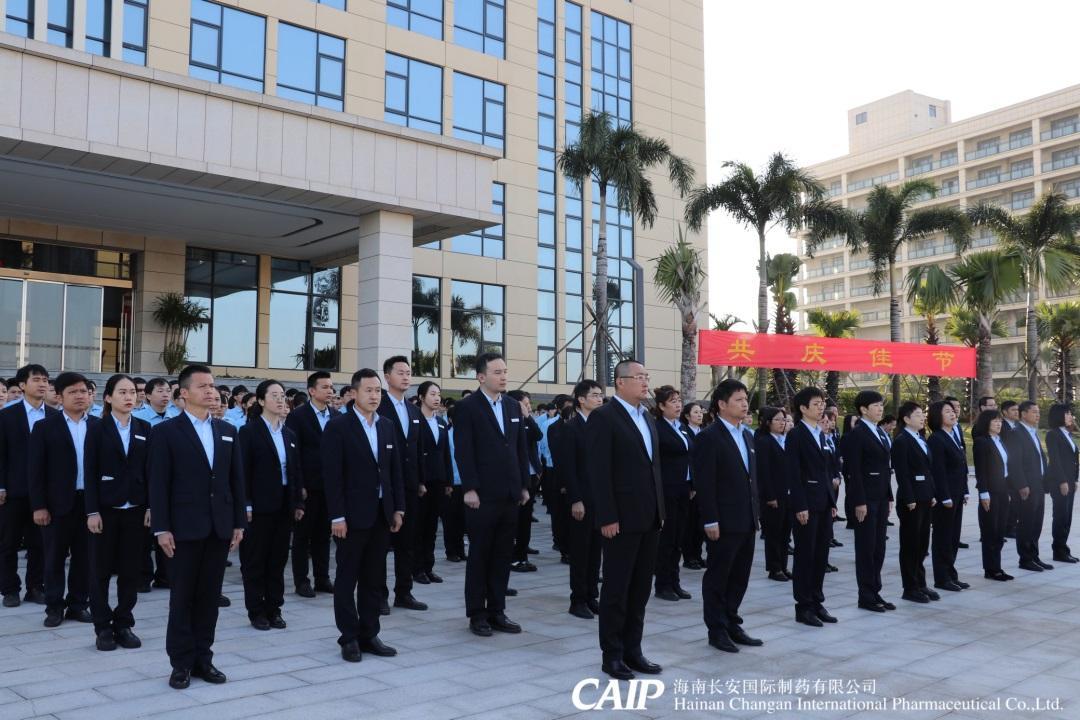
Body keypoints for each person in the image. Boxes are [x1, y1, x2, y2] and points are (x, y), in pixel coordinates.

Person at [149, 364, 246, 689]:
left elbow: (236, 480)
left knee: (208, 598)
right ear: (184, 393)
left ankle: (204, 658)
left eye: (212, 386)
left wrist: (238, 522)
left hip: (219, 527)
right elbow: (158, 484)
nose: (210, 391)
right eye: (203, 386)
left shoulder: (227, 431)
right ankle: (181, 663)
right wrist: (161, 528)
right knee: (182, 598)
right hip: (183, 529)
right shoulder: (165, 432)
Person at [587, 359, 664, 680]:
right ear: (620, 382)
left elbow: (652, 467)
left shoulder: (647, 416)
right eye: (639, 377)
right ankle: (613, 654)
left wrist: (660, 511)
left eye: (647, 376)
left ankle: (634, 649)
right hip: (620, 518)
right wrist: (607, 516)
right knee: (617, 590)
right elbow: (598, 471)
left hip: (649, 517)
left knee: (641, 588)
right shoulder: (604, 417)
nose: (645, 382)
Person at [321, 368, 405, 662]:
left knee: (374, 577)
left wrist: (398, 508)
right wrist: (337, 516)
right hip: (351, 517)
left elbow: (394, 470)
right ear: (353, 393)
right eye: (368, 390)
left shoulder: (386, 426)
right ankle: (349, 637)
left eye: (378, 391)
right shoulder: (338, 427)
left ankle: (370, 633)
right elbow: (332, 476)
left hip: (381, 514)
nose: (374, 396)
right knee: (347, 578)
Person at [452, 352, 530, 637]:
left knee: (502, 555)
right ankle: (477, 613)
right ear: (481, 376)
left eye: (505, 371)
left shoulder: (511, 406)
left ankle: (497, 610)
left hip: (510, 493)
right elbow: (463, 450)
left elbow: (520, 448)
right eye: (497, 372)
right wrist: (470, 488)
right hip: (481, 495)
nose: (503, 376)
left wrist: (523, 485)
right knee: (480, 555)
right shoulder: (467, 407)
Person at [693, 379, 762, 653]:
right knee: (718, 576)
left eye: (746, 399)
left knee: (740, 575)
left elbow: (751, 478)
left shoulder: (747, 435)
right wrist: (710, 519)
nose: (745, 404)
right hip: (723, 521)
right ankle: (717, 629)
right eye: (738, 400)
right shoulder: (709, 437)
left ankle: (732, 621)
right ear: (722, 404)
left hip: (747, 518)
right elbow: (704, 483)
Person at [84, 374, 151, 651]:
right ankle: (102, 626)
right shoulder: (96, 428)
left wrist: (150, 506)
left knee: (130, 570)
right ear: (108, 397)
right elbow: (89, 472)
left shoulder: (145, 427)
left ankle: (124, 623)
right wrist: (91, 511)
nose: (129, 397)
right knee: (99, 570)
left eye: (132, 392)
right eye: (122, 392)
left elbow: (151, 471)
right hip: (105, 509)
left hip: (136, 509)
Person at [28, 371, 98, 627]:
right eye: (73, 392)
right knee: (54, 557)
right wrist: (39, 506)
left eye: (83, 391)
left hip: (90, 503)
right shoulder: (45, 427)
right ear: (59, 397)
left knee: (85, 557)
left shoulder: (99, 425)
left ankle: (78, 604)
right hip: (57, 504)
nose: (80, 396)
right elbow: (35, 471)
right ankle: (54, 607)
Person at [238, 380, 304, 631]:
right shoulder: (249, 432)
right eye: (274, 395)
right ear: (261, 400)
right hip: (258, 507)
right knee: (255, 560)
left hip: (284, 505)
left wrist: (298, 502)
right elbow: (242, 472)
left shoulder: (289, 434)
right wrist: (246, 504)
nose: (280, 399)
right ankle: (256, 610)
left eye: (282, 395)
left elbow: (295, 471)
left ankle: (274, 608)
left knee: (277, 561)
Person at [0, 364, 56, 608]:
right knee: (8, 543)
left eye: (45, 380)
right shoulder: (6, 416)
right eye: (36, 379)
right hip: (14, 491)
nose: (42, 384)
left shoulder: (54, 416)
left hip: (44, 493)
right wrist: (1, 486)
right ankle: (9, 589)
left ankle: (35, 587)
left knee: (40, 543)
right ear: (22, 385)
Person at [377, 356, 427, 613]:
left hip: (409, 486)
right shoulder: (378, 406)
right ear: (387, 377)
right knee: (380, 544)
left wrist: (420, 481)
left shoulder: (414, 410)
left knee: (407, 543)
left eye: (408, 372)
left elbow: (417, 449)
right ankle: (378, 595)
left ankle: (404, 592)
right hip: (384, 486)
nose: (406, 377)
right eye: (400, 372)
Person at [785, 387, 837, 627]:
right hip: (806, 504)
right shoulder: (796, 435)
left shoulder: (821, 434)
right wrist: (800, 505)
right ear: (803, 408)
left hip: (824, 503)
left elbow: (825, 471)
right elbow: (793, 473)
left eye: (822, 403)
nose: (821, 407)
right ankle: (803, 606)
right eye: (816, 403)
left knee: (820, 554)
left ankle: (817, 601)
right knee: (805, 555)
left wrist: (832, 502)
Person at [840, 391, 895, 612]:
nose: (880, 409)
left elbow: (885, 468)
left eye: (881, 405)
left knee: (879, 547)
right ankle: (866, 595)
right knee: (866, 547)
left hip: (880, 497)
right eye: (876, 405)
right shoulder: (858, 434)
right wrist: (859, 501)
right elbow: (853, 471)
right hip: (866, 499)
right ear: (863, 409)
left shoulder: (880, 432)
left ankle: (875, 591)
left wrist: (889, 496)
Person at [555, 379, 604, 619]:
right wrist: (575, 499)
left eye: (600, 395)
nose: (599, 399)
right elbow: (568, 467)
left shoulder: (602, 426)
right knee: (581, 551)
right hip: (581, 500)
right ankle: (578, 600)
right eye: (594, 395)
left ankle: (592, 596)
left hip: (600, 499)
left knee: (596, 551)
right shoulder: (571, 428)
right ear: (581, 400)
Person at [286, 371, 335, 598]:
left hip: (330, 487)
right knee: (302, 537)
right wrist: (300, 485)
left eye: (331, 387)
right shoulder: (298, 416)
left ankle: (322, 578)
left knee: (324, 536)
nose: (330, 391)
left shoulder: (336, 416)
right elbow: (293, 454)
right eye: (325, 387)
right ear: (312, 391)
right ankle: (301, 581)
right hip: (308, 487)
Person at [891, 402, 939, 604]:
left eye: (922, 414)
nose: (922, 418)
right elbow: (902, 473)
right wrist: (909, 497)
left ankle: (920, 583)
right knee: (910, 544)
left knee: (922, 543)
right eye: (918, 414)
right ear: (906, 419)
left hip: (925, 496)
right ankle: (910, 587)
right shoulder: (902, 441)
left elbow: (927, 470)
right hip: (911, 500)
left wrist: (932, 493)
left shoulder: (920, 438)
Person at [652, 385, 693, 602]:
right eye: (673, 401)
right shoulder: (657, 428)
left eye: (679, 401)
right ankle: (663, 584)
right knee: (667, 538)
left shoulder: (682, 427)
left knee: (679, 537)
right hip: (667, 489)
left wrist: (692, 484)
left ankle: (674, 581)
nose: (678, 405)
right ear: (661, 406)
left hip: (684, 489)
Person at [927, 400, 968, 592]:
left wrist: (965, 490)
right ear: (937, 416)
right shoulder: (936, 439)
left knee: (953, 536)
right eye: (947, 411)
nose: (953, 414)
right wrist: (944, 496)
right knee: (943, 537)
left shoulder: (953, 435)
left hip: (957, 493)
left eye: (953, 411)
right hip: (946, 497)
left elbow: (962, 467)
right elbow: (938, 471)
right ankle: (942, 578)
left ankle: (951, 574)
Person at [1009, 400, 1052, 572]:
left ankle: (1034, 556)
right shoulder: (1016, 433)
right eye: (1034, 412)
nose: (1038, 414)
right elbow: (1015, 462)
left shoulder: (1033, 432)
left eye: (1038, 412)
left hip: (1038, 484)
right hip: (1026, 486)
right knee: (1026, 523)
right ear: (1023, 414)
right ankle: (1025, 559)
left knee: (1036, 523)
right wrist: (1021, 484)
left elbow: (1039, 458)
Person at [414, 381, 450, 584]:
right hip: (422, 481)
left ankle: (429, 567)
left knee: (432, 527)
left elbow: (446, 453)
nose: (437, 398)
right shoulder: (414, 420)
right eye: (432, 394)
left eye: (438, 394)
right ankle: (417, 568)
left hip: (439, 480)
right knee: (419, 527)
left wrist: (448, 481)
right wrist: (419, 480)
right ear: (421, 397)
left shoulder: (441, 422)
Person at [972, 409, 1013, 581]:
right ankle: (990, 569)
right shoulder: (982, 442)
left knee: (1000, 531)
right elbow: (980, 470)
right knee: (990, 531)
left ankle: (997, 567)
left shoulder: (1000, 440)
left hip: (1003, 490)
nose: (998, 423)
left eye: (1000, 421)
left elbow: (1005, 468)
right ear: (986, 423)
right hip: (990, 492)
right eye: (995, 421)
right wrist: (983, 493)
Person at [508, 389, 544, 574]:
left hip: (530, 475)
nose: (528, 407)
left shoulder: (527, 421)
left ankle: (522, 554)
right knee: (515, 519)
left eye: (529, 404)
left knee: (526, 518)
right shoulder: (509, 422)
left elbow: (538, 435)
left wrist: (528, 417)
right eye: (525, 404)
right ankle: (513, 557)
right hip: (515, 476)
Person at [756, 407, 791, 582]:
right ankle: (774, 568)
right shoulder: (764, 441)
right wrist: (770, 496)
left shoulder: (785, 440)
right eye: (777, 420)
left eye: (783, 420)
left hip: (788, 494)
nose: (782, 423)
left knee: (785, 533)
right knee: (774, 533)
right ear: (768, 422)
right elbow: (764, 472)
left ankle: (783, 565)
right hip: (773, 496)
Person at [1045, 403, 1078, 564]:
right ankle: (1058, 550)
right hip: (1060, 482)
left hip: (1070, 481)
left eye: (1070, 413)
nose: (1071, 416)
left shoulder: (1067, 434)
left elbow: (1074, 460)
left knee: (1067, 517)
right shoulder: (1053, 435)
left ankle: (1064, 548)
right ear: (1059, 416)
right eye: (1067, 414)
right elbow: (1055, 460)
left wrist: (1075, 479)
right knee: (1060, 516)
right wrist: (1062, 481)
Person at [442, 405, 467, 563]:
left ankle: (460, 550)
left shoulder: (467, 434)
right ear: (451, 419)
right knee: (450, 519)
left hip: (465, 482)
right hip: (451, 483)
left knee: (462, 519)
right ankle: (451, 551)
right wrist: (447, 482)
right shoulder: (446, 434)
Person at [1000, 400, 1021, 538]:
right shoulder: (1002, 427)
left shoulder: (1017, 426)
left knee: (1017, 499)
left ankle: (1013, 525)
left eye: (1017, 410)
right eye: (1013, 410)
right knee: (1011, 499)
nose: (1016, 412)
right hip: (1008, 469)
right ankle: (1007, 527)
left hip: (1018, 469)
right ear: (1004, 412)